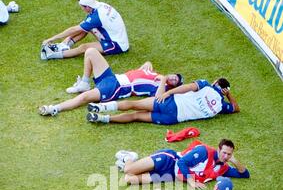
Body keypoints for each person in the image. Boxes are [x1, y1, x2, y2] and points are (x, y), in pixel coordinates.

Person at [38, 49, 184, 116]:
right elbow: (145, 65)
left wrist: (164, 79)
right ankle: (84, 82)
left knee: (84, 98)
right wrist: (147, 64)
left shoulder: (161, 86)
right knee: (90, 52)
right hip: (112, 77)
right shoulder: (155, 74)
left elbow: (158, 98)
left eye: (174, 81)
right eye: (174, 76)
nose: (173, 78)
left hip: (115, 87)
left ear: (172, 86)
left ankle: (54, 108)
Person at [86, 77, 240, 125]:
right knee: (136, 116)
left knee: (135, 104)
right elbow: (236, 108)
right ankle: (102, 119)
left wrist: (168, 93)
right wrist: (229, 95)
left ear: (216, 84)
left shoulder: (206, 86)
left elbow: (186, 87)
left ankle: (101, 107)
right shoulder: (220, 107)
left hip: (171, 103)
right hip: (173, 118)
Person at [114, 139, 250, 187]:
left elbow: (245, 175)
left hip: (170, 176)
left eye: (229, 154)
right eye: (224, 152)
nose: (226, 156)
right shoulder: (204, 151)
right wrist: (191, 181)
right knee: (128, 170)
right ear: (219, 149)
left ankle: (127, 164)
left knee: (129, 179)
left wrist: (235, 161)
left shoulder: (223, 168)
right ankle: (129, 157)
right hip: (169, 160)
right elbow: (182, 163)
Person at [41, 0, 129, 60]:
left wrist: (51, 38)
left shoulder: (96, 17)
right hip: (116, 36)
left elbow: (74, 29)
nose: (81, 9)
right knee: (84, 28)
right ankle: (62, 45)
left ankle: (51, 55)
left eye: (82, 7)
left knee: (84, 47)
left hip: (117, 44)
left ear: (87, 7)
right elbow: (81, 27)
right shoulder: (99, 5)